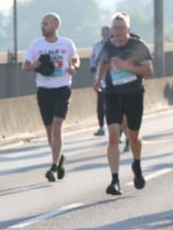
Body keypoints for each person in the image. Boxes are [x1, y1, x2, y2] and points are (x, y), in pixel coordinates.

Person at [94, 13, 154, 195]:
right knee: (113, 137)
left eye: (122, 28)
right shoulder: (108, 45)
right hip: (112, 95)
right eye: (115, 28)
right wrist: (99, 79)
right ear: (111, 30)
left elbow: (149, 70)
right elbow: (103, 62)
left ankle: (137, 164)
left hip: (133, 94)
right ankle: (115, 180)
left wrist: (126, 66)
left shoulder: (138, 45)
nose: (118, 31)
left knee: (133, 136)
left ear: (128, 29)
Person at [22, 13, 79, 182]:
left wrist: (74, 68)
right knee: (49, 131)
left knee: (57, 127)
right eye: (42, 23)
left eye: (45, 24)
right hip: (44, 90)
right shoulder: (36, 45)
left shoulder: (67, 43)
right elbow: (25, 66)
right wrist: (35, 65)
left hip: (62, 88)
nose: (42, 26)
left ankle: (53, 167)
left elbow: (75, 60)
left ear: (55, 26)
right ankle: (60, 158)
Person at [90, 26, 111, 136]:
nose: (104, 34)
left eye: (106, 32)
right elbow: (93, 57)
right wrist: (92, 66)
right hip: (100, 77)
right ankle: (101, 126)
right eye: (103, 32)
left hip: (112, 77)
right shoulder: (97, 44)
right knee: (100, 102)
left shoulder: (113, 44)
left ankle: (114, 128)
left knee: (111, 103)